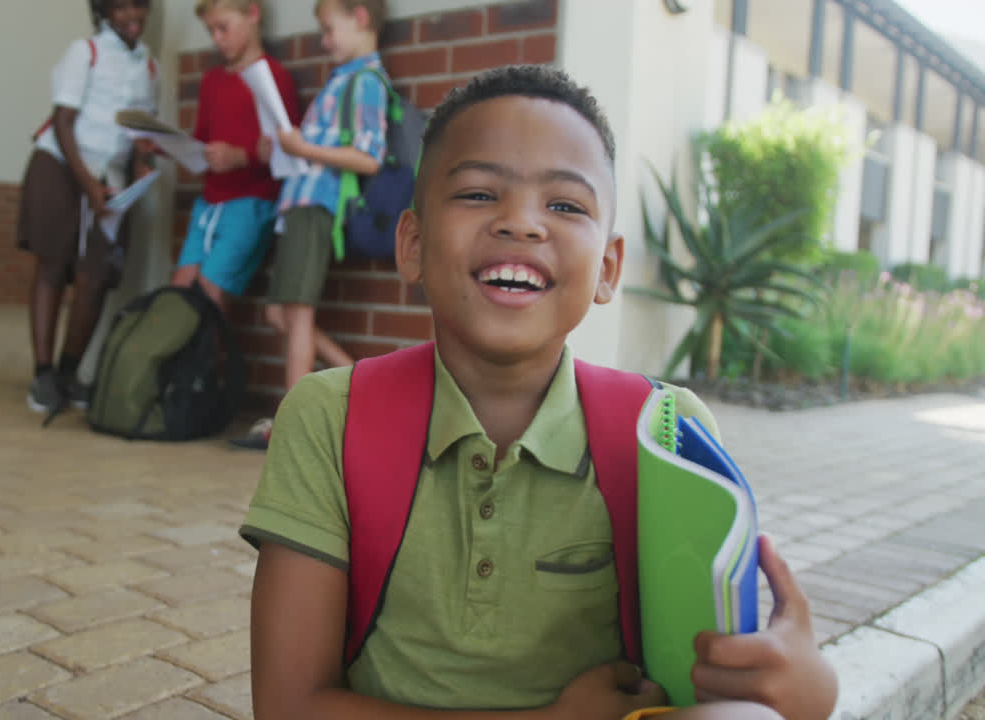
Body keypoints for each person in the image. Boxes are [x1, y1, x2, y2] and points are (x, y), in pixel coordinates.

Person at [239, 65, 839, 720]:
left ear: (607, 268)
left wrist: (807, 690)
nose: (522, 223)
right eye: (476, 193)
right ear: (410, 244)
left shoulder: (661, 429)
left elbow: (716, 666)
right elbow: (288, 706)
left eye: (564, 205)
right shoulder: (331, 415)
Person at [230, 0, 389, 451]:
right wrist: (282, 149)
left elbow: (367, 157)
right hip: (298, 203)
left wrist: (300, 147)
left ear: (360, 18)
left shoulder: (366, 81)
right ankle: (365, 385)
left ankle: (291, 423)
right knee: (279, 313)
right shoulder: (342, 79)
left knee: (297, 312)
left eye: (327, 29)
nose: (323, 41)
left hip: (317, 204)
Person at [17, 0, 159, 416]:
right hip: (62, 166)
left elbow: (140, 133)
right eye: (119, 7)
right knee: (53, 266)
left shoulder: (149, 66)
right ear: (103, 12)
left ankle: (69, 372)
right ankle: (43, 374)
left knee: (94, 277)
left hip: (110, 181)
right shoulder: (85, 52)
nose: (131, 15)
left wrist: (140, 171)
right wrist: (87, 187)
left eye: (138, 6)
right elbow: (63, 122)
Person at [173, 0, 301, 316]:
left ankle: (211, 366)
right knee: (180, 290)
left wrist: (240, 157)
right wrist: (166, 146)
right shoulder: (212, 80)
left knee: (209, 295)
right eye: (210, 31)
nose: (217, 38)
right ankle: (188, 366)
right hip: (209, 202)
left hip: (250, 203)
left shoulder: (274, 77)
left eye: (223, 28)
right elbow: (201, 138)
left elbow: (287, 151)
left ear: (253, 15)